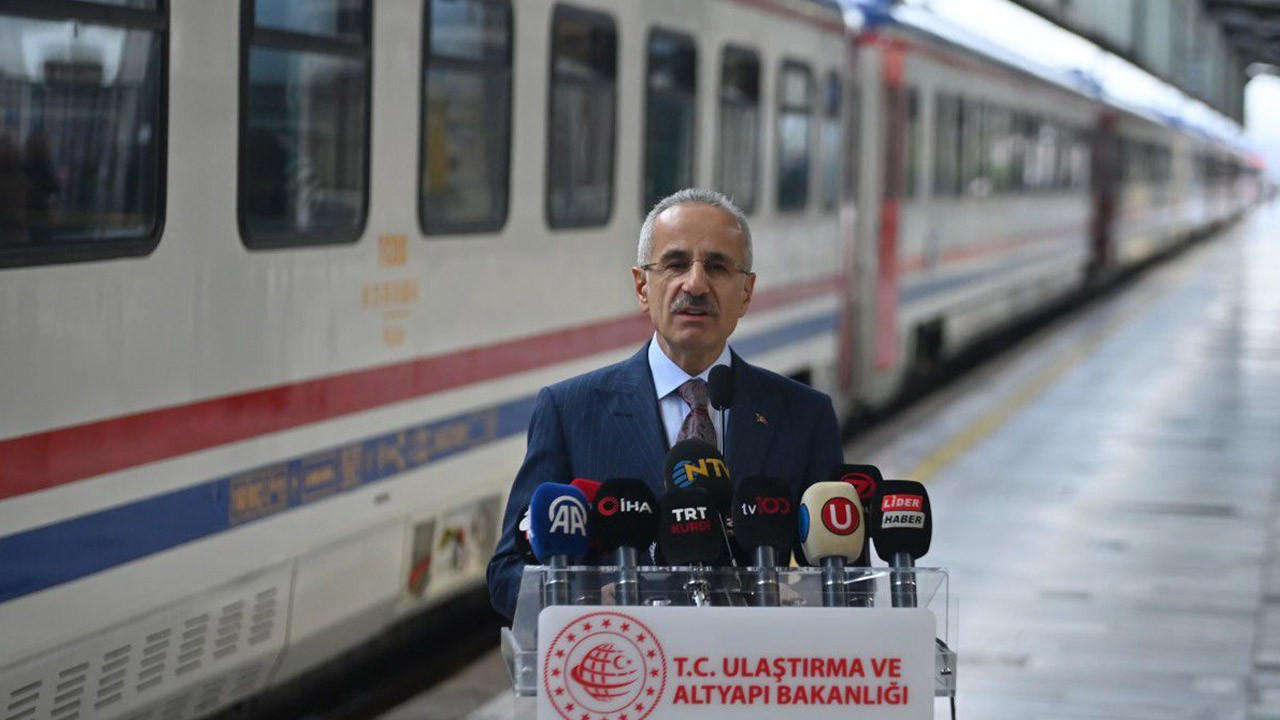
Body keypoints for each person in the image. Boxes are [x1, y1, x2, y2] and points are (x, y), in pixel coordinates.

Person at [485, 188, 844, 620]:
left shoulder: (804, 416)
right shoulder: (568, 412)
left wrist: (800, 597)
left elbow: (845, 574)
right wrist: (587, 601)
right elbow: (508, 574)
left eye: (717, 267)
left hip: (754, 661)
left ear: (746, 292)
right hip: (624, 655)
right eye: (675, 264)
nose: (695, 284)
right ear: (642, 286)